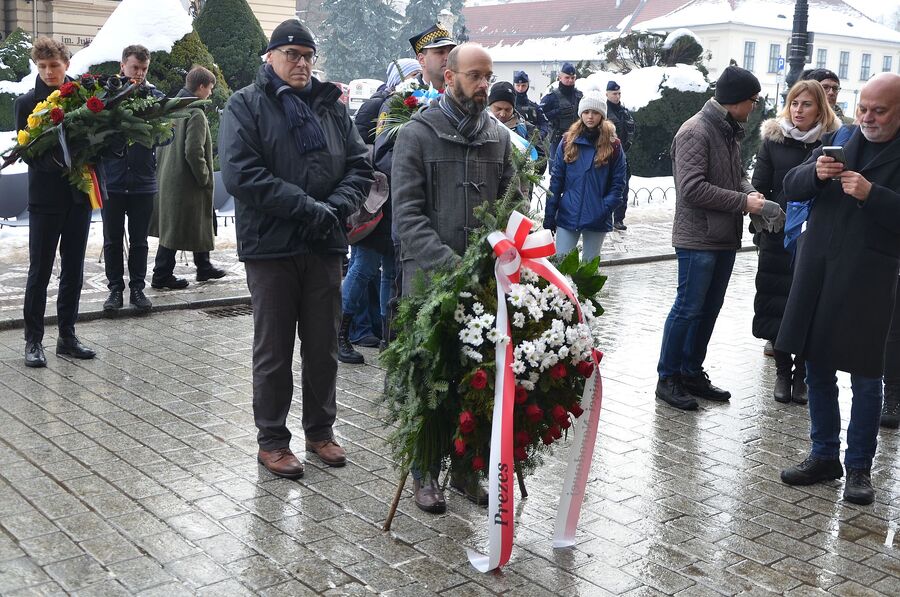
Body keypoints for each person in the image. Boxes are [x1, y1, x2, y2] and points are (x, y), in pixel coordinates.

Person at [218, 18, 372, 478]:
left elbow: (359, 167)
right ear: (271, 57)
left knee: (323, 345)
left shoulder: (332, 108)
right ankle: (272, 440)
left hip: (324, 244)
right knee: (274, 349)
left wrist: (337, 206)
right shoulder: (245, 105)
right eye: (292, 55)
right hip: (272, 248)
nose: (302, 64)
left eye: (308, 56)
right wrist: (308, 208)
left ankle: (320, 432)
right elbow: (242, 175)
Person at [392, 43, 515, 514]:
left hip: (485, 282)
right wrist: (450, 267)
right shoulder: (417, 135)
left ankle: (467, 469)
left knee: (478, 377)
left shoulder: (499, 138)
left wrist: (497, 260)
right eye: (474, 76)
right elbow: (407, 214)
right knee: (429, 378)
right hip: (428, 281)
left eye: (488, 75)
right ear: (449, 78)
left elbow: (512, 206)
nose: (483, 85)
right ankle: (425, 469)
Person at [778, 73, 900, 506]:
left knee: (867, 378)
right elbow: (790, 185)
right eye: (863, 107)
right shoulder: (843, 136)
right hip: (819, 271)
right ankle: (825, 454)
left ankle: (860, 468)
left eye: (879, 111)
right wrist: (816, 172)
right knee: (816, 365)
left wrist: (873, 195)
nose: (867, 117)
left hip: (869, 278)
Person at [655, 65, 785, 411]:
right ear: (736, 101)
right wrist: (744, 202)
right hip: (697, 239)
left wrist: (753, 194)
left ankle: (691, 372)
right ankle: (667, 378)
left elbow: (736, 175)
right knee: (688, 308)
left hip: (723, 236)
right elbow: (692, 189)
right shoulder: (695, 131)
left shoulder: (728, 129)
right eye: (753, 101)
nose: (754, 108)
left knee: (708, 309)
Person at [15, 37, 105, 367]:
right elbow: (27, 153)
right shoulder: (27, 103)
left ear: (67, 64)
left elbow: (100, 139)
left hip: (78, 197)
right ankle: (33, 340)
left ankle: (67, 336)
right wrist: (61, 163)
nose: (49, 72)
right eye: (42, 67)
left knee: (73, 270)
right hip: (45, 198)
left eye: (54, 65)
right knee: (39, 272)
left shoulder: (83, 96)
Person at [751, 80, 841, 405]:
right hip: (778, 237)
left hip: (815, 238)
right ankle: (781, 372)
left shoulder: (833, 143)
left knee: (810, 305)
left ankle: (801, 375)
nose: (798, 110)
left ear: (821, 108)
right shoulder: (774, 141)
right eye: (794, 104)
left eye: (806, 104)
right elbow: (758, 186)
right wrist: (763, 220)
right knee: (778, 304)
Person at [101, 45, 166, 313]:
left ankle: (138, 288)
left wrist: (150, 132)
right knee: (112, 240)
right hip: (113, 182)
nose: (138, 74)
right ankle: (115, 289)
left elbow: (168, 135)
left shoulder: (155, 97)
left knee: (139, 240)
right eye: (134, 68)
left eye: (143, 69)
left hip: (142, 182)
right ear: (122, 66)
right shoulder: (106, 97)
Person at [150, 66, 226, 287]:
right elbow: (194, 151)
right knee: (177, 228)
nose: (211, 93)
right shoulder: (195, 113)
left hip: (168, 179)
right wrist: (204, 177)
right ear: (201, 87)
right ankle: (161, 274)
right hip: (188, 182)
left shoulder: (172, 108)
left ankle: (204, 266)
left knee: (189, 224)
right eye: (210, 88)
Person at [544, 92, 626, 262]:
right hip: (568, 213)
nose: (590, 116)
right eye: (586, 112)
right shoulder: (567, 141)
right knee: (561, 265)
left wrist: (604, 207)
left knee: (589, 271)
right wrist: (550, 215)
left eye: (595, 112)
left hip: (597, 216)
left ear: (602, 115)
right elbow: (556, 180)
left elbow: (618, 184)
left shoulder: (613, 145)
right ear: (580, 113)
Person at [354, 59, 421, 145]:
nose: (418, 78)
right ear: (398, 77)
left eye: (421, 74)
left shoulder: (416, 101)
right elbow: (359, 141)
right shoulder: (375, 104)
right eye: (415, 74)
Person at [488, 81, 546, 171]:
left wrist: (525, 167)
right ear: (489, 105)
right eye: (498, 109)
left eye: (508, 109)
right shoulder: (479, 127)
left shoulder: (528, 129)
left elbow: (541, 162)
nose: (502, 114)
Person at [606, 80, 635, 231]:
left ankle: (619, 219)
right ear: (607, 94)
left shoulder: (624, 112)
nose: (617, 96)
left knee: (623, 189)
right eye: (614, 94)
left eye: (619, 93)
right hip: (607, 157)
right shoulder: (603, 112)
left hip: (622, 156)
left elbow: (631, 131)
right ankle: (605, 217)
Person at [540, 62, 583, 162]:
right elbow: (540, 117)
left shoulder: (579, 96)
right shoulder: (551, 97)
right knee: (556, 170)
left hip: (576, 138)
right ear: (560, 77)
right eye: (567, 77)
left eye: (573, 78)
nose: (570, 80)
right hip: (558, 139)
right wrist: (557, 112)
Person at [512, 70, 549, 138]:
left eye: (523, 85)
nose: (520, 89)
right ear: (514, 85)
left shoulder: (534, 107)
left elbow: (544, 123)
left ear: (528, 86)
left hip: (532, 142)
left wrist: (540, 136)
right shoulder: (509, 106)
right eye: (518, 85)